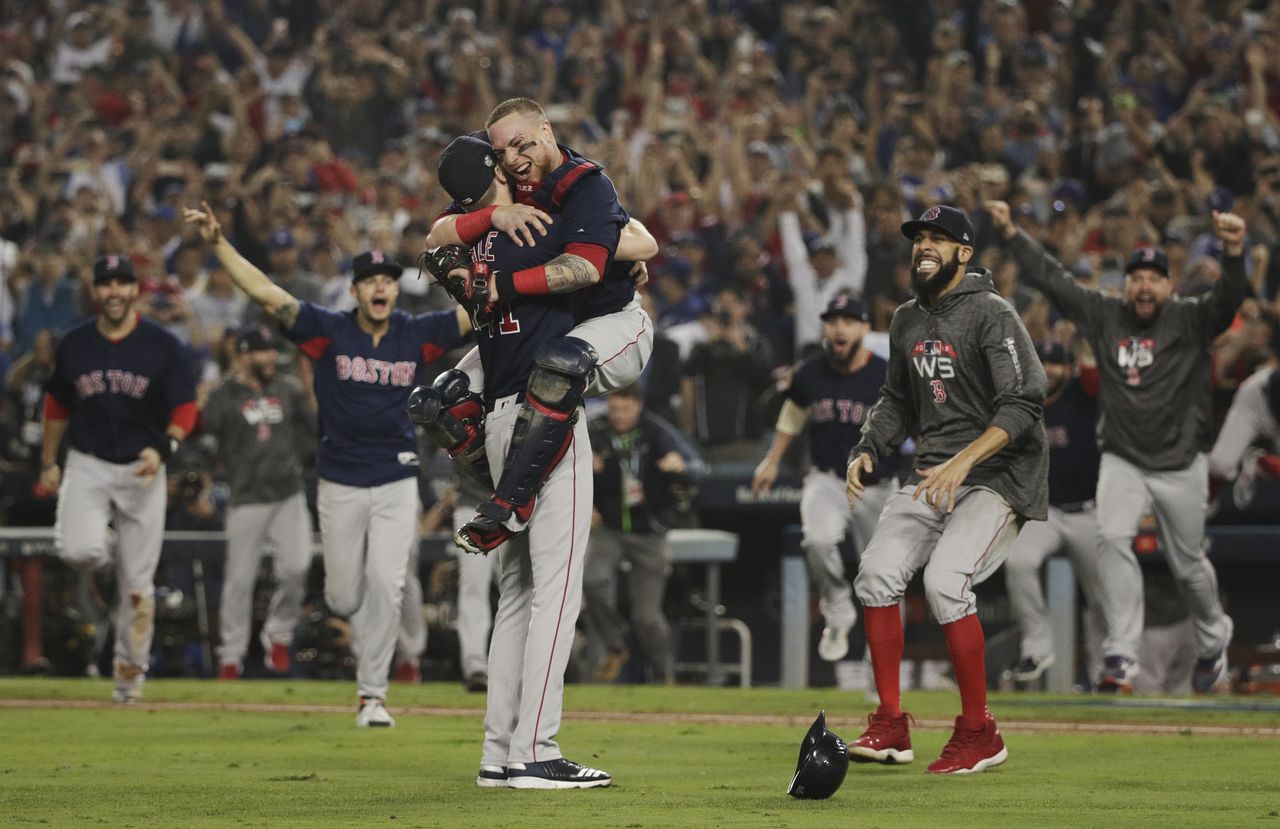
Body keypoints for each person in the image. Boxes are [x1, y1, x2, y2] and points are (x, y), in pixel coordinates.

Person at [185, 202, 470, 727]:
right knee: (342, 595)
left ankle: (373, 695)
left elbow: (479, 308)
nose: (380, 287)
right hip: (339, 480)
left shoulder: (418, 331)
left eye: (387, 279)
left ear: (394, 287)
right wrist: (219, 243)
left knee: (390, 582)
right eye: (369, 281)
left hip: (396, 476)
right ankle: (366, 665)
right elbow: (267, 293)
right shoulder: (329, 330)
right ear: (355, 290)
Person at [412, 144, 610, 789]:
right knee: (556, 593)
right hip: (541, 419)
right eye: (504, 160)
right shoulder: (534, 226)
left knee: (518, 598)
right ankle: (536, 751)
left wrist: (478, 221)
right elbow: (634, 242)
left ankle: (498, 753)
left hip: (496, 420)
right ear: (496, 173)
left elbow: (436, 237)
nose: (516, 164)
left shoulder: (471, 247)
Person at [994, 200, 1246, 694]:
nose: (1145, 285)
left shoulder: (1191, 319)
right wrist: (1011, 233)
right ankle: (1122, 654)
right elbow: (1053, 279)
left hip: (1180, 462)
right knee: (1112, 539)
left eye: (1154, 277)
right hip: (1124, 458)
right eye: (1137, 277)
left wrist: (1235, 251)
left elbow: (1230, 298)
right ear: (1125, 283)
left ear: (1169, 286)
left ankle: (1214, 636)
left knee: (1188, 564)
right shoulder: (1105, 313)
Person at [845, 205, 1047, 774]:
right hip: (934, 473)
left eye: (939, 238)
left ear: (964, 253)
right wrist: (868, 448)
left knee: (944, 582)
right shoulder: (906, 319)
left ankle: (980, 730)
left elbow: (1025, 402)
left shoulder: (993, 313)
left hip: (999, 476)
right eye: (919, 238)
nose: (924, 246)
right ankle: (890, 725)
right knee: (876, 575)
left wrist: (964, 461)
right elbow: (898, 400)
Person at [425, 98, 655, 553]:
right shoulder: (503, 177)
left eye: (520, 145)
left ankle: (513, 496)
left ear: (546, 131)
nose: (511, 160)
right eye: (501, 153)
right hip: (549, 320)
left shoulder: (580, 181)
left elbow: (640, 240)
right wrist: (494, 215)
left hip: (604, 319)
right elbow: (437, 235)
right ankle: (503, 476)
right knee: (440, 403)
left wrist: (499, 283)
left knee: (557, 366)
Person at [40, 254, 198, 703]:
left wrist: (165, 446)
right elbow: (56, 406)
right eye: (105, 283)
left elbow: (186, 406)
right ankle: (108, 552)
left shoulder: (162, 345)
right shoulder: (74, 343)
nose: (113, 291)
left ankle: (129, 681)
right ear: (95, 290)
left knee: (137, 590)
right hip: (88, 461)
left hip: (142, 466)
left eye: (121, 284)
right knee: (78, 549)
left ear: (135, 291)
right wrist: (49, 461)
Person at [751, 291, 893, 663]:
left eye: (847, 321)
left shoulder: (887, 374)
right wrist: (772, 459)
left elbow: (918, 422)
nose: (838, 328)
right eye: (832, 321)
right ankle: (837, 608)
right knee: (816, 540)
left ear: (865, 327)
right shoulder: (811, 371)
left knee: (882, 577)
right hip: (828, 478)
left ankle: (882, 671)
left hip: (878, 485)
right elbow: (794, 413)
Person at [202, 324, 315, 679]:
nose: (270, 358)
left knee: (297, 567)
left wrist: (311, 389)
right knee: (239, 580)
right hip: (246, 496)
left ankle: (279, 633)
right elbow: (205, 438)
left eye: (271, 352)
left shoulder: (288, 388)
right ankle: (231, 657)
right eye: (262, 352)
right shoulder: (223, 395)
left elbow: (312, 429)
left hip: (288, 494)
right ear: (244, 355)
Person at [583, 384, 705, 684]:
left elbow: (698, 468)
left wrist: (680, 466)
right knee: (591, 579)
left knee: (646, 617)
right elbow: (559, 469)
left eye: (625, 409)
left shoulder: (657, 432)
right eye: (613, 409)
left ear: (638, 405)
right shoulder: (593, 430)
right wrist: (583, 472)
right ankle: (616, 644)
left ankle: (663, 676)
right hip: (608, 528)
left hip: (649, 531)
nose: (619, 415)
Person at [1003, 340, 1106, 686]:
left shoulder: (1082, 395)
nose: (1048, 369)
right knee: (1017, 561)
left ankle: (1103, 673)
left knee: (1102, 596)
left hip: (1088, 511)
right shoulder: (1023, 401)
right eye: (1042, 361)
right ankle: (1036, 646)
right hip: (1043, 512)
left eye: (1056, 363)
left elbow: (1095, 377)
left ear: (1069, 368)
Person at [1209, 365, 1280, 508]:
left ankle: (1262, 462)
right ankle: (1202, 506)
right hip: (1257, 399)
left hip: (1276, 410)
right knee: (1220, 466)